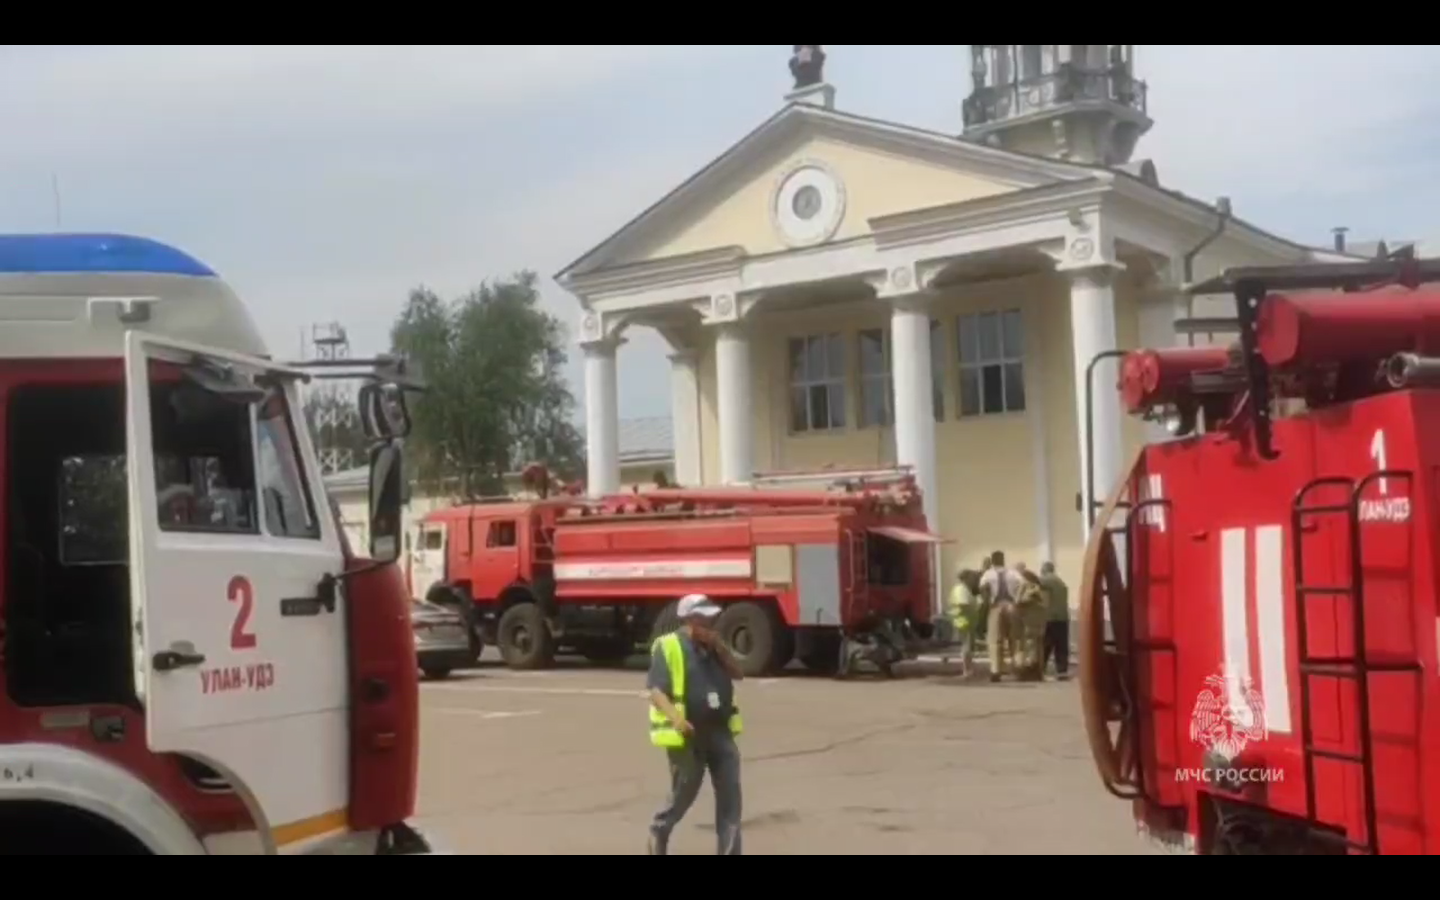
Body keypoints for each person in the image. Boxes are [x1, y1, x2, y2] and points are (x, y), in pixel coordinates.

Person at [646, 593, 745, 855]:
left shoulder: (715, 648)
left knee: (730, 801)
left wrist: (721, 649)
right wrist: (677, 719)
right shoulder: (667, 646)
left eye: (712, 619)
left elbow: (739, 674)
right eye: (704, 620)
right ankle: (660, 829)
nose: (711, 625)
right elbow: (656, 692)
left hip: (721, 733)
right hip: (688, 735)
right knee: (683, 795)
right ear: (689, 621)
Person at [978, 551, 1022, 682]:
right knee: (1016, 639)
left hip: (996, 605)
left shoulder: (988, 574)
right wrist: (1017, 599)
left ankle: (996, 670)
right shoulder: (1014, 573)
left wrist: (985, 607)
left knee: (995, 640)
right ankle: (1018, 668)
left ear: (992, 561)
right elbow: (1023, 585)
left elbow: (983, 590)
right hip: (1011, 605)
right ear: (1003, 560)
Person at [1013, 562, 1048, 682]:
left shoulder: (1026, 585)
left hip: (1029, 621)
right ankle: (1038, 672)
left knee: (1028, 646)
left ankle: (1027, 672)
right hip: (1039, 621)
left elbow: (1018, 601)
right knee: (1038, 647)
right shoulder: (1039, 587)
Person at [947, 567, 981, 676]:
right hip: (962, 620)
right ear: (965, 578)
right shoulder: (960, 589)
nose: (974, 580)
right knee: (966, 645)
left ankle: (969, 667)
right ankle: (967, 669)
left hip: (967, 620)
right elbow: (963, 605)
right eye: (971, 577)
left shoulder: (966, 589)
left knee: (969, 645)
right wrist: (976, 608)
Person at [1039, 561, 1071, 680]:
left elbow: (1037, 586)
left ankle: (1040, 669)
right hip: (1063, 617)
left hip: (1050, 617)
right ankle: (1062, 671)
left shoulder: (1045, 580)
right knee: (1061, 646)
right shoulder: (1060, 582)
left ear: (1044, 570)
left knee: (1046, 644)